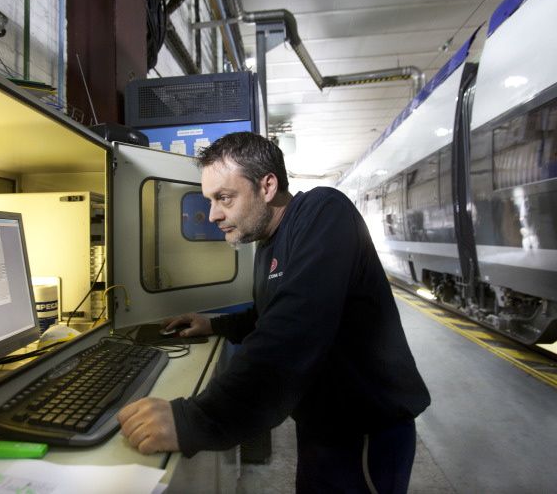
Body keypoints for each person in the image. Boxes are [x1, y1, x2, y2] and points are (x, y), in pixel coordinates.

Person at [118, 132, 430, 493]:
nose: (213, 215)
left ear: (267, 185)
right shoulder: (268, 243)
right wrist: (214, 324)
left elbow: (293, 330)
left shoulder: (325, 211)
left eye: (224, 198)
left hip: (362, 426)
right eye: (210, 200)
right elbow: (271, 313)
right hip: (321, 421)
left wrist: (196, 420)